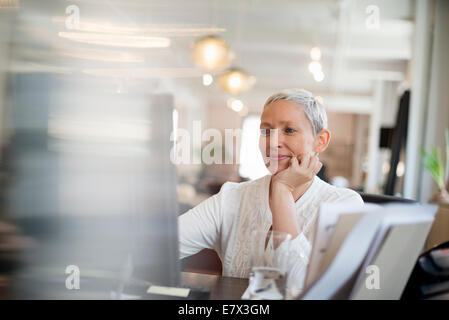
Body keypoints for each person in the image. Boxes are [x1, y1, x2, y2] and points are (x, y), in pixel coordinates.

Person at [178, 88, 363, 293]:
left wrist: (282, 191)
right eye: (266, 131)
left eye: (289, 130)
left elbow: (300, 289)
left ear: (321, 141)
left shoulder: (345, 206)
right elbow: (167, 242)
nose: (273, 143)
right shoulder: (233, 196)